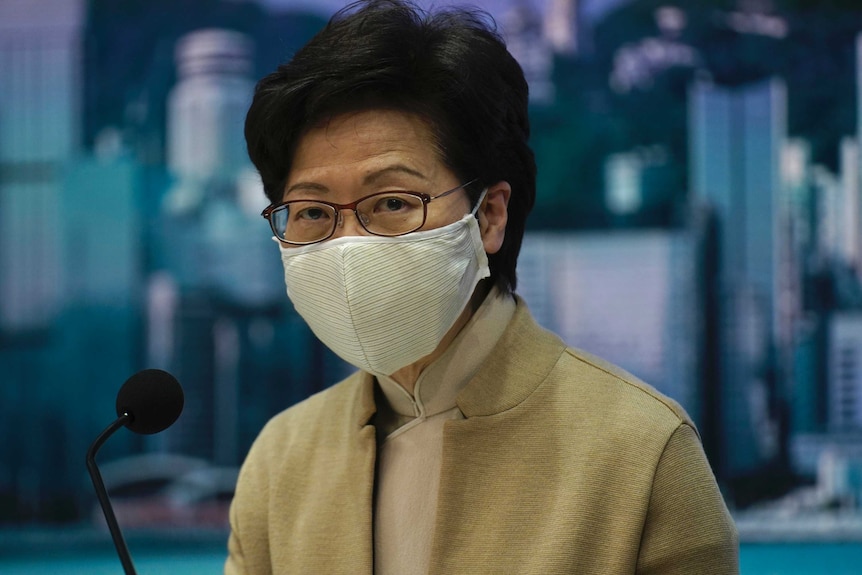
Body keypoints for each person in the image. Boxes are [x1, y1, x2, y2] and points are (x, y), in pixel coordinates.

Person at [225, 1, 739, 573]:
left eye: (393, 202)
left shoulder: (641, 449)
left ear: (490, 215)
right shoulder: (281, 459)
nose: (348, 243)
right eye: (313, 212)